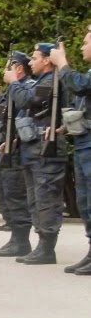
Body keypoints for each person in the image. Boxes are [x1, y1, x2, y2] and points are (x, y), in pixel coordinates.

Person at [6, 42, 67, 265]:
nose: (31, 63)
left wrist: (13, 83)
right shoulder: (43, 80)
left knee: (46, 198)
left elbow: (27, 100)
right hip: (33, 147)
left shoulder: (51, 80)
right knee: (35, 199)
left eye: (34, 58)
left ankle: (47, 247)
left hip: (46, 148)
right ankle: (42, 242)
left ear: (47, 60)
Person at [51, 24, 91, 273]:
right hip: (84, 141)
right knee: (85, 200)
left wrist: (62, 62)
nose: (82, 46)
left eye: (86, 42)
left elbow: (80, 85)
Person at [0, 52, 34, 257]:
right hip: (10, 146)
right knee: (8, 192)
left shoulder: (26, 85)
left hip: (18, 148)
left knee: (16, 194)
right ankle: (16, 238)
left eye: (9, 66)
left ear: (18, 68)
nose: (5, 71)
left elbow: (25, 111)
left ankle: (21, 242)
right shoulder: (14, 88)